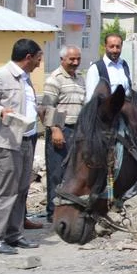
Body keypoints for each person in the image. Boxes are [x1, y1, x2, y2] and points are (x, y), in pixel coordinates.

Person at [0, 38, 44, 255]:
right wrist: (1, 111)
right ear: (28, 57)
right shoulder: (1, 75)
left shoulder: (26, 79)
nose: (40, 64)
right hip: (4, 144)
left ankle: (14, 235)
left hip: (25, 140)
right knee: (5, 191)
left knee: (22, 189)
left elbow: (25, 104)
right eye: (38, 59)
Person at [40, 45, 84, 221]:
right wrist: (56, 129)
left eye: (77, 59)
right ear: (62, 60)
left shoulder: (80, 78)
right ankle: (53, 212)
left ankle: (69, 209)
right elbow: (47, 107)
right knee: (57, 173)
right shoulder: (54, 79)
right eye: (71, 59)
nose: (75, 62)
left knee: (73, 172)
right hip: (61, 130)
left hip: (77, 131)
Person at [84, 31, 131, 101]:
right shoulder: (96, 68)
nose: (115, 50)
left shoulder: (124, 65)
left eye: (118, 47)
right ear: (105, 46)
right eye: (111, 46)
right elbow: (90, 100)